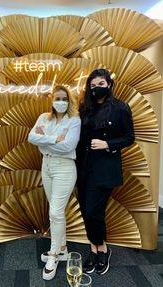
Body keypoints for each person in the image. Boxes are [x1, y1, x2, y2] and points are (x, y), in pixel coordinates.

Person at [76, 69, 135, 275]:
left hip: (104, 169)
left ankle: (104, 249)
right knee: (86, 211)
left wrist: (107, 143)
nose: (96, 89)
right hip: (83, 167)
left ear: (109, 85)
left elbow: (129, 137)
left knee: (94, 211)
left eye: (100, 84)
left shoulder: (120, 108)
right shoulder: (86, 109)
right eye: (92, 86)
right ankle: (94, 249)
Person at [28, 85, 81, 280]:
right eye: (57, 98)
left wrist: (45, 140)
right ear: (52, 100)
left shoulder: (74, 120)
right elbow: (31, 137)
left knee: (55, 212)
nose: (61, 102)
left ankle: (53, 255)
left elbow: (69, 145)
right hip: (46, 166)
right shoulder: (44, 118)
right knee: (56, 212)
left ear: (69, 101)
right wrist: (53, 139)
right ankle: (64, 249)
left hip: (65, 168)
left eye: (64, 98)